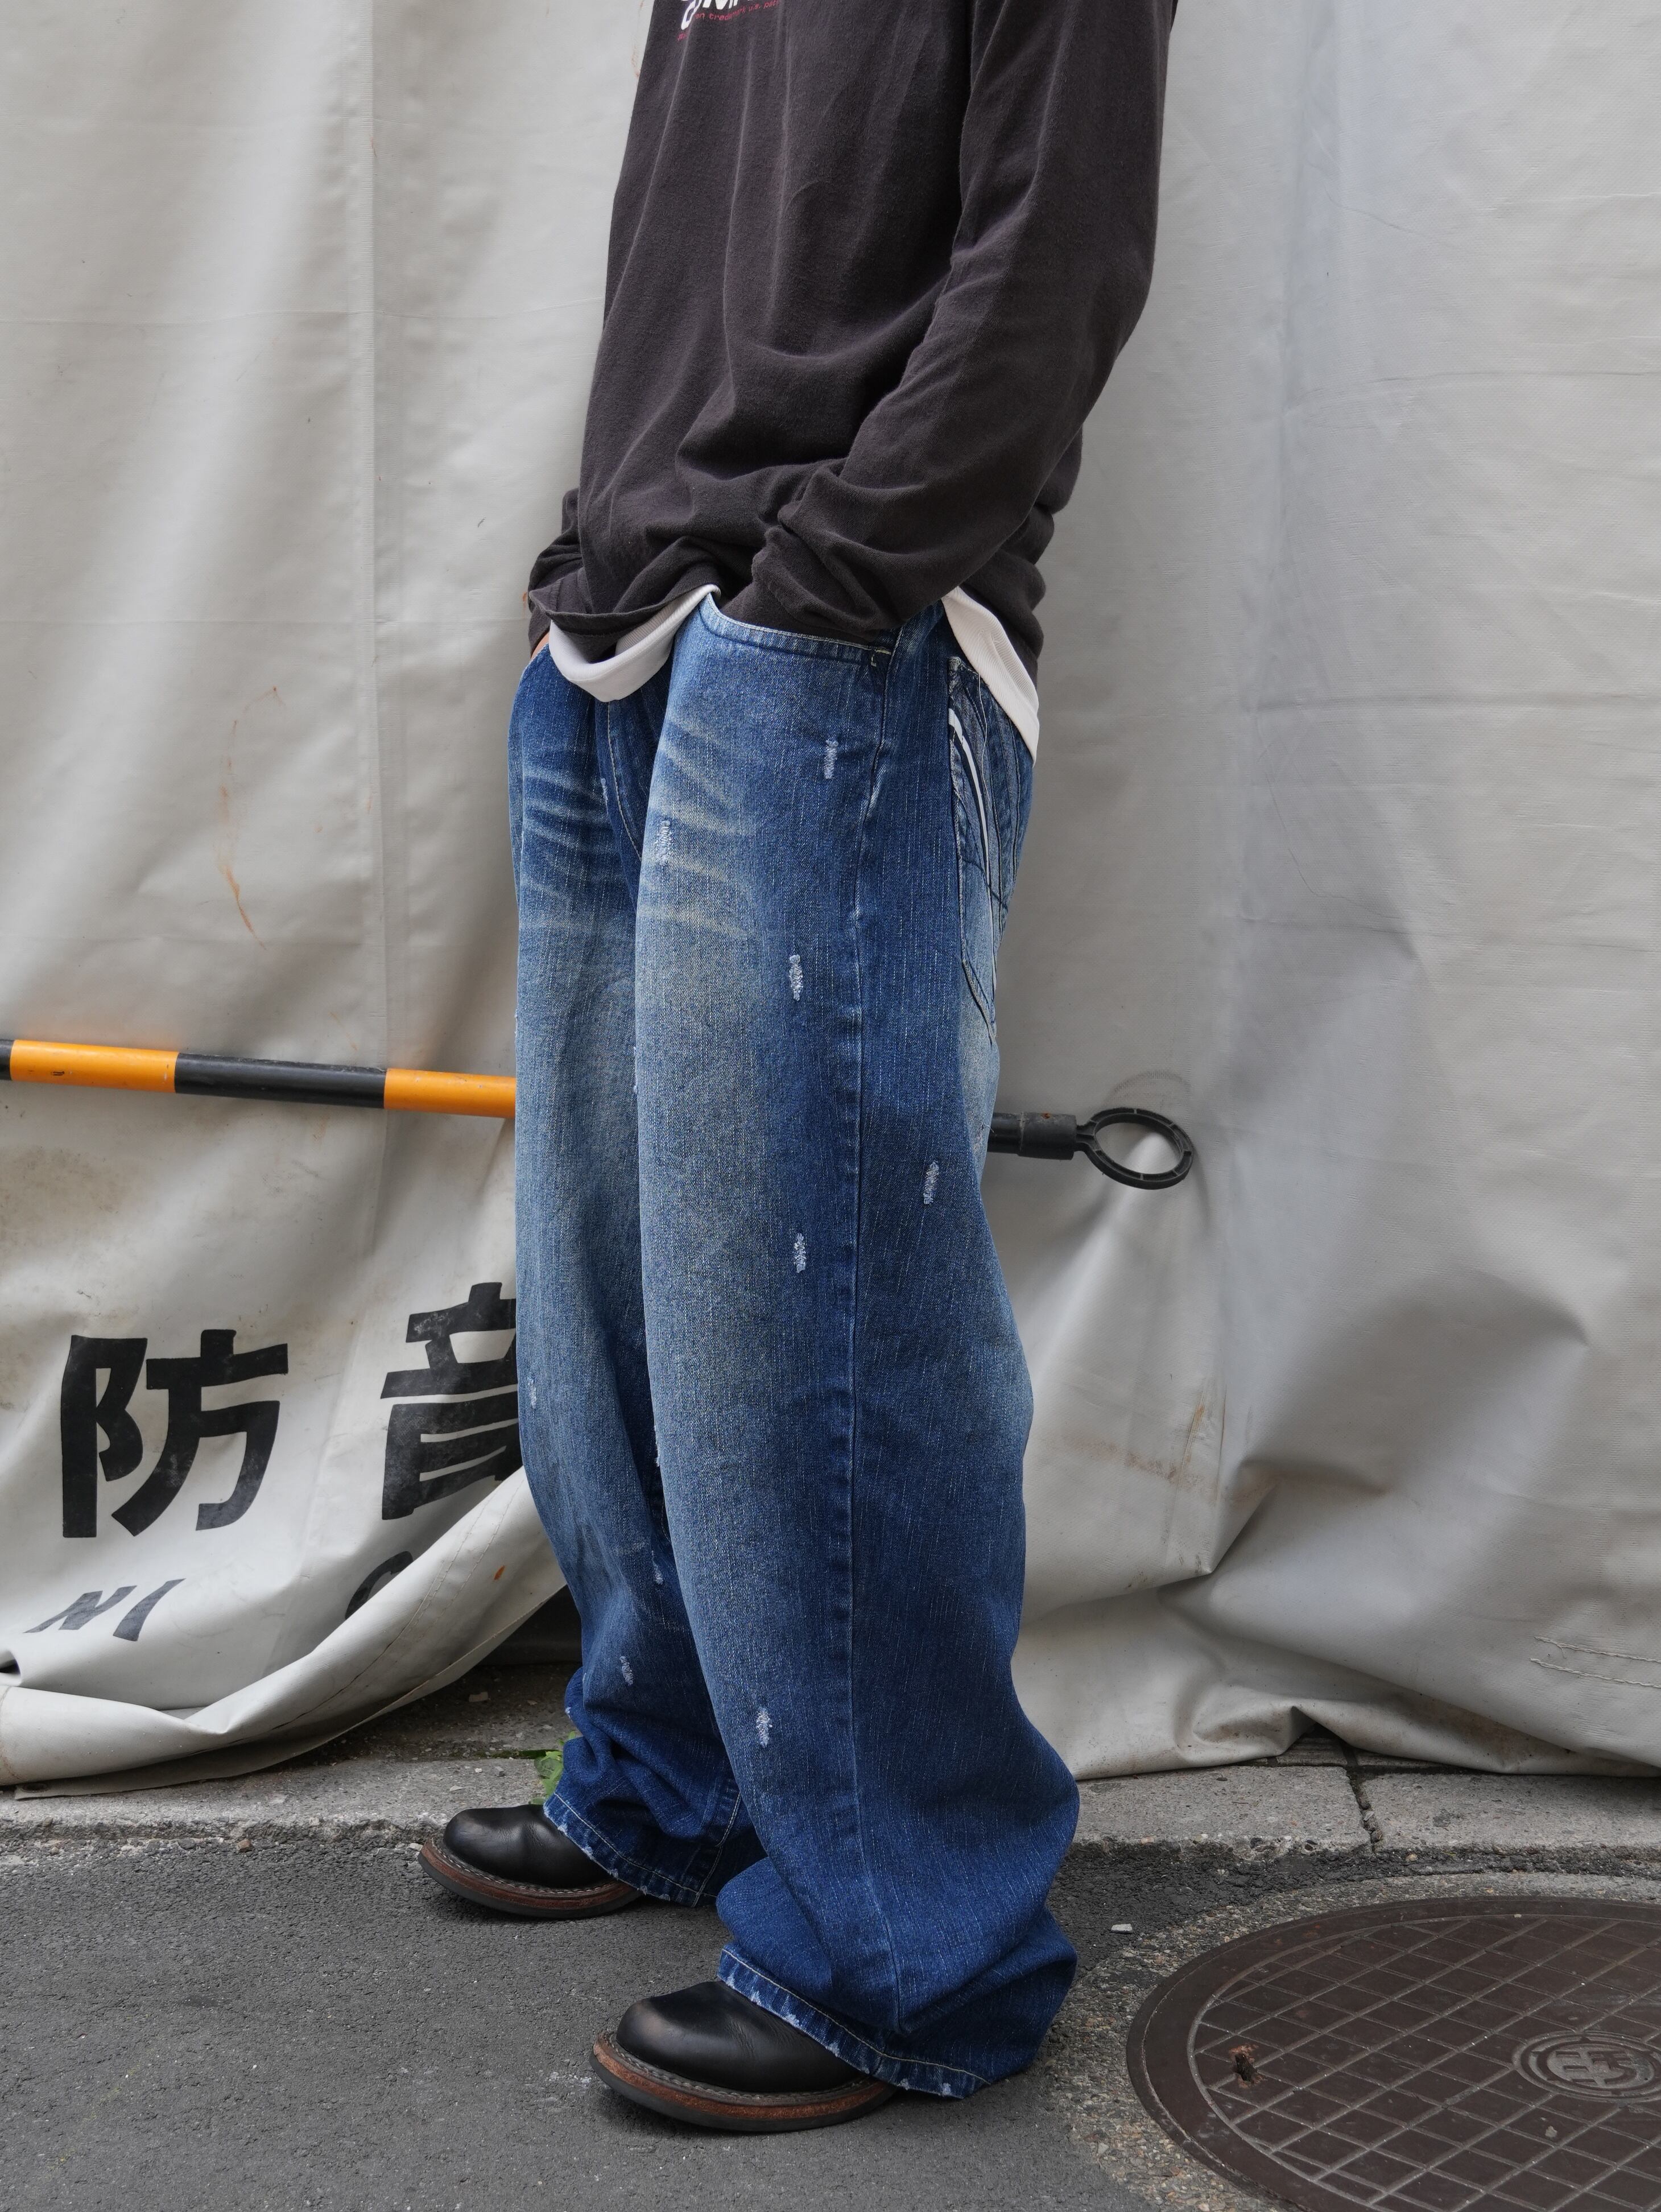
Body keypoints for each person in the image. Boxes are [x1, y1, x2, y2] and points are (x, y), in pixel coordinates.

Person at [421, 0, 1176, 2133]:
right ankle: (667, 1771)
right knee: (618, 1291)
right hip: (628, 625)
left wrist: (832, 583)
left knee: (820, 1314)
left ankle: (912, 1943)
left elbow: (1057, 255)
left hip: (839, 643)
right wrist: (596, 556)